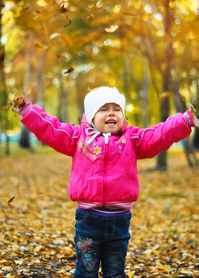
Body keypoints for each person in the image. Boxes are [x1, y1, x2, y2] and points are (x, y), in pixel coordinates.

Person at [12, 86, 199, 278]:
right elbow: (51, 129)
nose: (111, 113)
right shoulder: (78, 138)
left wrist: (184, 120)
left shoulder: (133, 139)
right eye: (103, 109)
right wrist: (27, 110)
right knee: (86, 270)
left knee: (115, 272)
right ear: (92, 115)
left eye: (116, 109)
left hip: (120, 222)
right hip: (88, 220)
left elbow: (159, 134)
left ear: (123, 115)